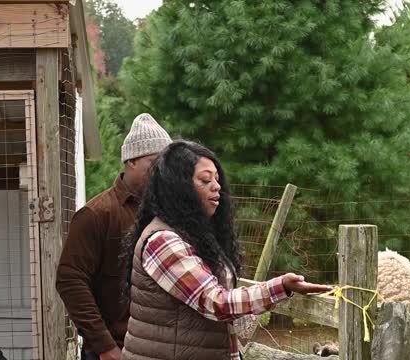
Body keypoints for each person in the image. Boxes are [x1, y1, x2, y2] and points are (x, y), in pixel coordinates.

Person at [120, 140, 331, 360]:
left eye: (217, 179)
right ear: (178, 188)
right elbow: (217, 303)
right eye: (205, 180)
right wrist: (280, 287)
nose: (217, 186)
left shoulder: (192, 235)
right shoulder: (162, 242)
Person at [56, 114, 172, 360]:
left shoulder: (170, 213)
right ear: (130, 160)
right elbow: (70, 281)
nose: (163, 172)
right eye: (154, 162)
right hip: (116, 350)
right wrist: (105, 346)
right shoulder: (96, 214)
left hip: (161, 348)